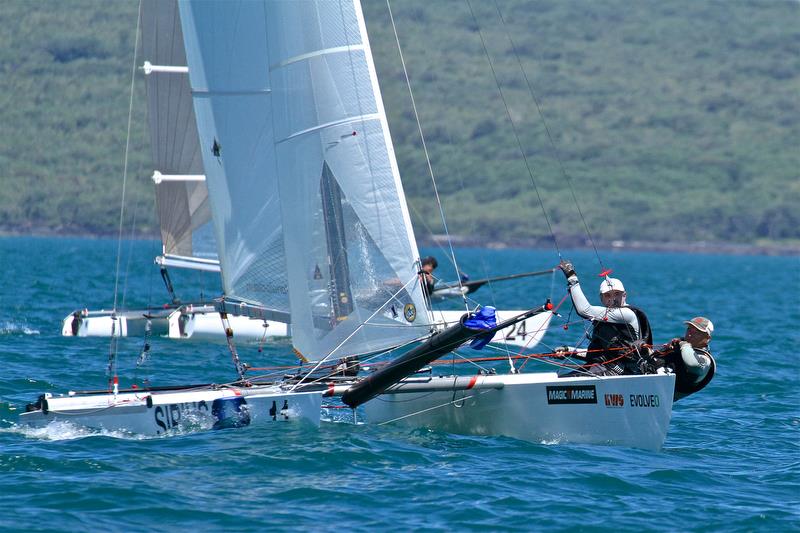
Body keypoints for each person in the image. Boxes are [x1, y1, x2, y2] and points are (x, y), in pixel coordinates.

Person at [559, 259, 652, 375]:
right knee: (562, 379)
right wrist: (569, 351)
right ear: (601, 299)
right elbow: (598, 354)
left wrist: (572, 278)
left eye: (617, 294)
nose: (613, 299)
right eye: (607, 295)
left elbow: (584, 310)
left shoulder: (627, 314)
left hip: (626, 372)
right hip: (604, 368)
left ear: (625, 295)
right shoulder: (604, 318)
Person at [652, 317, 716, 400]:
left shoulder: (705, 359)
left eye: (696, 332)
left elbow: (693, 364)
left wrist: (684, 345)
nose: (690, 334)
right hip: (647, 379)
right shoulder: (678, 346)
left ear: (707, 338)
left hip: (659, 395)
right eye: (689, 330)